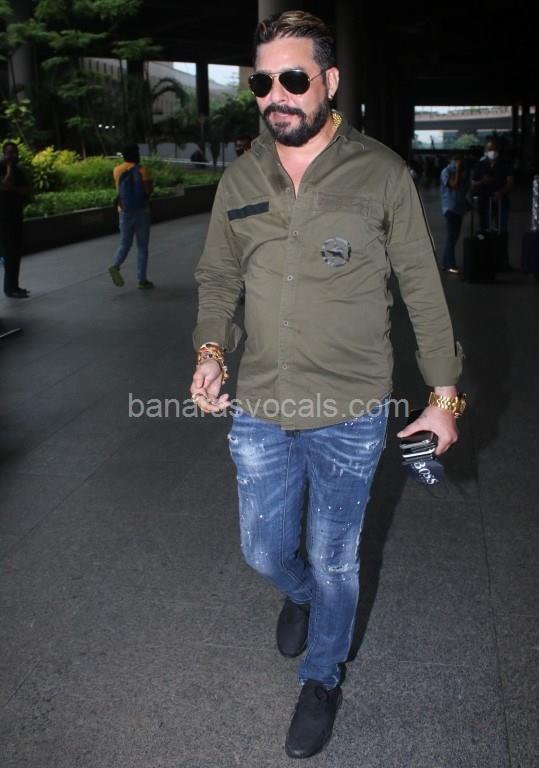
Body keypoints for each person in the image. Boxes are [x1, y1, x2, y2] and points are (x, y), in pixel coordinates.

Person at [190, 10, 465, 760]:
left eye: (292, 78)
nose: (275, 96)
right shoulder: (242, 176)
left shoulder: (381, 173)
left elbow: (422, 291)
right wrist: (210, 351)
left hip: (350, 409)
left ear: (330, 81)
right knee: (263, 551)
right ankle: (302, 594)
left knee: (337, 555)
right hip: (260, 402)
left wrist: (443, 397)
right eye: (262, 83)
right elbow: (218, 278)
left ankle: (321, 676)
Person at [108, 143, 153, 289]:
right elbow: (148, 190)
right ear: (136, 154)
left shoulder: (117, 170)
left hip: (124, 211)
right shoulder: (142, 170)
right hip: (142, 212)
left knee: (124, 243)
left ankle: (115, 265)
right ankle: (142, 280)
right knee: (142, 247)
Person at [0, 141, 32, 298]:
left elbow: (26, 190)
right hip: (3, 218)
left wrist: (13, 188)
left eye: (14, 152)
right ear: (4, 154)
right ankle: (9, 288)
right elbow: (5, 185)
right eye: (9, 153)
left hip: (16, 215)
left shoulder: (19, 171)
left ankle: (14, 286)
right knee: (9, 252)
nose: (12, 156)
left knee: (16, 253)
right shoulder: (2, 168)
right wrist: (8, 168)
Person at [471, 136, 513, 232]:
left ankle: (500, 240)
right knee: (484, 228)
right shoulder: (480, 164)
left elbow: (510, 182)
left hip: (502, 202)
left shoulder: (505, 164)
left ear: (498, 150)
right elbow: (473, 183)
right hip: (484, 202)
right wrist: (483, 181)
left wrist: (501, 192)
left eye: (495, 149)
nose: (492, 152)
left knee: (501, 228)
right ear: (486, 150)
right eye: (490, 149)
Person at [440, 152, 468, 274]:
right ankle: (450, 265)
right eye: (456, 160)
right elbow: (454, 185)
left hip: (459, 208)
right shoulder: (446, 171)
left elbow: (464, 189)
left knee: (454, 237)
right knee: (451, 236)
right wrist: (457, 171)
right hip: (450, 208)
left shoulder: (462, 172)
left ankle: (445, 262)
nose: (459, 162)